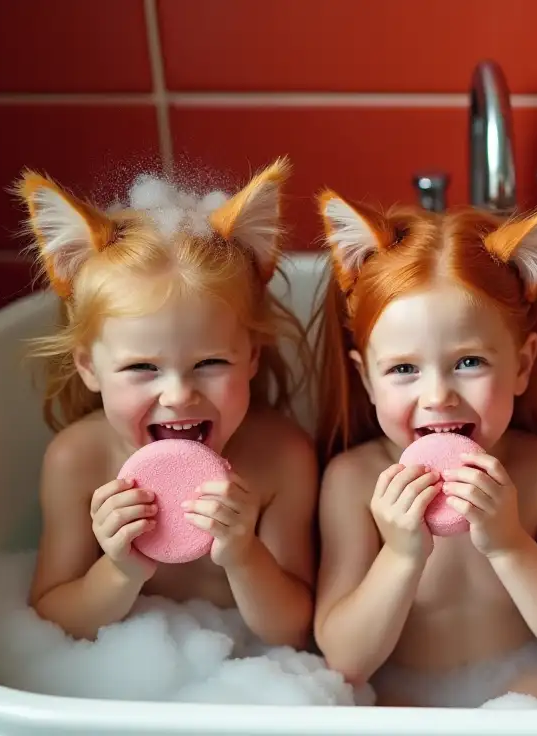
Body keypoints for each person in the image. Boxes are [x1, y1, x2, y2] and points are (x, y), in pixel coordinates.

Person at [310, 192, 537, 706]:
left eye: (469, 362)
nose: (437, 397)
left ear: (522, 364)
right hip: (402, 710)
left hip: (525, 706)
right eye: (403, 369)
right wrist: (402, 555)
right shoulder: (353, 481)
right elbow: (344, 661)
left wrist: (509, 543)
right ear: (366, 377)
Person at [21, 158, 319, 650]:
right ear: (89, 368)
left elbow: (294, 632)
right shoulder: (79, 461)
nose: (179, 395)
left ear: (251, 358)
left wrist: (244, 554)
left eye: (209, 363)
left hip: (250, 679)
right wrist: (121, 568)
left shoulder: (280, 458)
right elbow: (52, 618)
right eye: (142, 368)